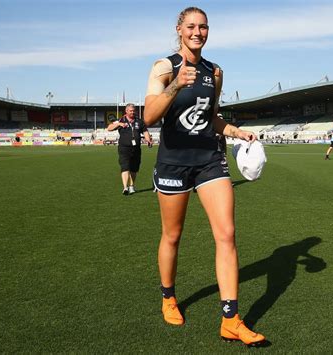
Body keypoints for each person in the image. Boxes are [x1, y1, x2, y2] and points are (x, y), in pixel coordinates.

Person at [144, 7, 265, 345]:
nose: (198, 32)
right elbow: (149, 117)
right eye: (191, 27)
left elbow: (211, 118)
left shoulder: (216, 72)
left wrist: (237, 132)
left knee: (227, 233)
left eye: (204, 27)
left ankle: (231, 318)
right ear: (179, 30)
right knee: (172, 235)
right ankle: (169, 296)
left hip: (210, 159)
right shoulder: (164, 67)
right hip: (174, 162)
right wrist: (173, 87)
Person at [107, 103, 152, 195]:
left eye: (133, 110)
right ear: (126, 111)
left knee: (134, 169)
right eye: (130, 111)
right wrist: (119, 124)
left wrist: (148, 140)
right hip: (124, 148)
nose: (132, 112)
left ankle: (131, 186)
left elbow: (145, 131)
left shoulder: (139, 121)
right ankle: (125, 187)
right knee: (125, 167)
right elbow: (109, 128)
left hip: (136, 148)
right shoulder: (121, 120)